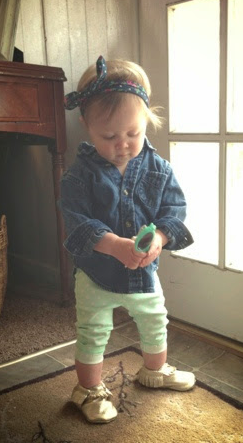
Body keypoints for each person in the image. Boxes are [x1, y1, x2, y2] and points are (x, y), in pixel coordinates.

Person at [61, 55, 195, 424]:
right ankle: (88, 389)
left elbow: (174, 210)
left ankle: (155, 370)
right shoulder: (78, 175)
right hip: (96, 273)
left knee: (155, 320)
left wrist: (161, 237)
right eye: (109, 136)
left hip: (143, 272)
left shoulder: (159, 169)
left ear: (146, 120)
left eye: (133, 134)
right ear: (87, 126)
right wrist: (113, 245)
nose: (122, 144)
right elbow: (77, 222)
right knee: (93, 330)